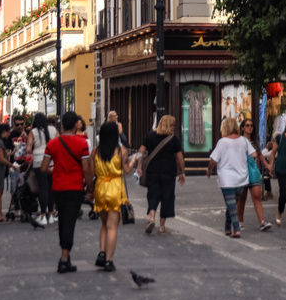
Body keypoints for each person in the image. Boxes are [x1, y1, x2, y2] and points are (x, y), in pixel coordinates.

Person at [41, 111, 94, 274]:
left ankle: (65, 255)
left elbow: (43, 168)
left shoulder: (53, 144)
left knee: (63, 220)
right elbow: (86, 169)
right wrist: (90, 189)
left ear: (62, 125)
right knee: (69, 222)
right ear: (76, 124)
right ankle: (64, 258)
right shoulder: (82, 144)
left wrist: (55, 170)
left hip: (57, 188)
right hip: (74, 188)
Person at [92, 119, 135, 272]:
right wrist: (134, 160)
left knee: (104, 224)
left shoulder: (95, 152)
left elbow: (92, 172)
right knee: (112, 227)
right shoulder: (121, 151)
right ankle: (109, 260)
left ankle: (101, 253)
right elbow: (127, 170)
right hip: (115, 189)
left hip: (100, 188)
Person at [137, 114, 185, 235]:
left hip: (153, 171)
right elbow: (180, 158)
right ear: (170, 125)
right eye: (173, 125)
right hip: (168, 172)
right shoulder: (173, 139)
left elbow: (140, 152)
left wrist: (139, 167)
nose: (174, 127)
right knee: (167, 197)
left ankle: (152, 218)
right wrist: (182, 172)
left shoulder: (151, 136)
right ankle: (162, 227)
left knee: (153, 194)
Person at [206, 116, 250, 238]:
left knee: (231, 204)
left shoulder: (222, 142)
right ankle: (227, 227)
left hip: (227, 178)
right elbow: (253, 154)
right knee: (232, 203)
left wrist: (209, 170)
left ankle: (236, 229)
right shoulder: (243, 140)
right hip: (241, 177)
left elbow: (213, 160)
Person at [236, 117, 272, 231]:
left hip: (253, 170)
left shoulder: (254, 140)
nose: (250, 127)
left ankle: (262, 222)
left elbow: (260, 154)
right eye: (247, 125)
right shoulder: (239, 140)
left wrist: (268, 166)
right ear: (242, 128)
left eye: (251, 125)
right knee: (242, 198)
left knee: (257, 196)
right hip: (242, 170)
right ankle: (240, 222)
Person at [28, 111, 59, 226]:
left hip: (38, 162)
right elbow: (59, 142)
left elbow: (28, 148)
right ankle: (51, 214)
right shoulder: (53, 130)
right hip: (51, 161)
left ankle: (43, 215)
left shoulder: (33, 132)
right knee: (51, 187)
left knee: (43, 188)